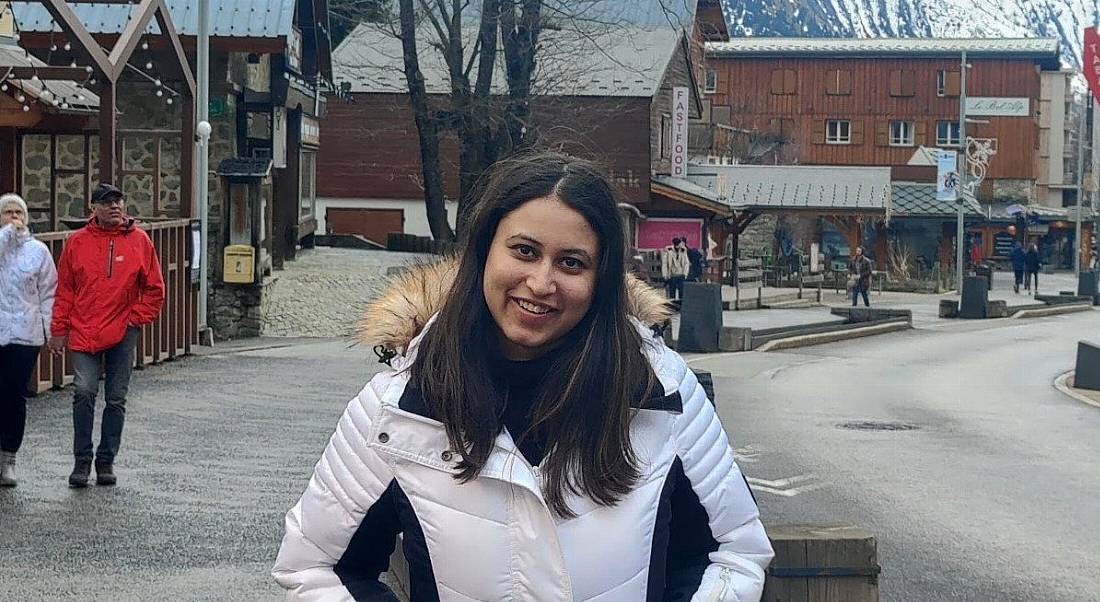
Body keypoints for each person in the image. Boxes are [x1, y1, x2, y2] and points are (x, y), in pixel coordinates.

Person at [272, 153, 772, 600]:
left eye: (571, 263)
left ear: (602, 279)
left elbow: (731, 551)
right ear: (485, 251)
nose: (541, 282)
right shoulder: (400, 406)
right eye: (525, 251)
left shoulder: (660, 392)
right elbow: (316, 566)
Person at [49, 183, 165, 488]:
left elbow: (154, 289)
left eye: (118, 201)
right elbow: (66, 290)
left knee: (116, 398)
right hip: (85, 327)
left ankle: (106, 460)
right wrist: (59, 330)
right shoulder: (77, 242)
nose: (114, 206)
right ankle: (81, 461)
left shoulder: (140, 241)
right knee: (84, 392)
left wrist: (134, 319)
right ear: (93, 208)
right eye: (106, 202)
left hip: (122, 330)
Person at [0, 193, 58, 488]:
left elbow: (48, 293)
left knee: (13, 394)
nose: (13, 217)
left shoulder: (38, 251)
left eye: (18, 212)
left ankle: (8, 455)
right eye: (7, 212)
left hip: (25, 333)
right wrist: (5, 236)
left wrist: (52, 334)